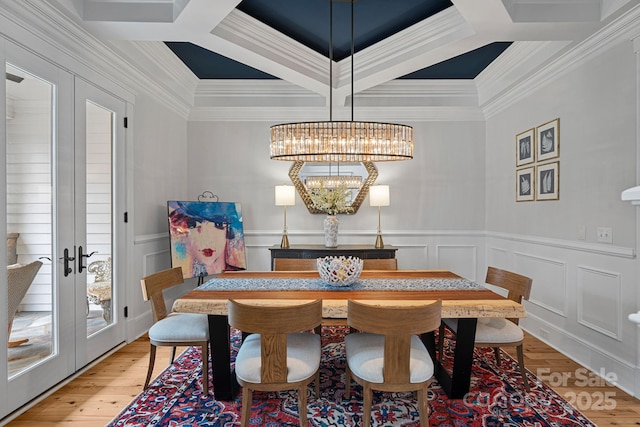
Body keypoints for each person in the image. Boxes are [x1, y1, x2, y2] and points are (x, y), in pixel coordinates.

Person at [168, 201, 246, 278]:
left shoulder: (236, 272)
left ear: (228, 230)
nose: (207, 240)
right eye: (194, 225)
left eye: (218, 225)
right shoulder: (187, 272)